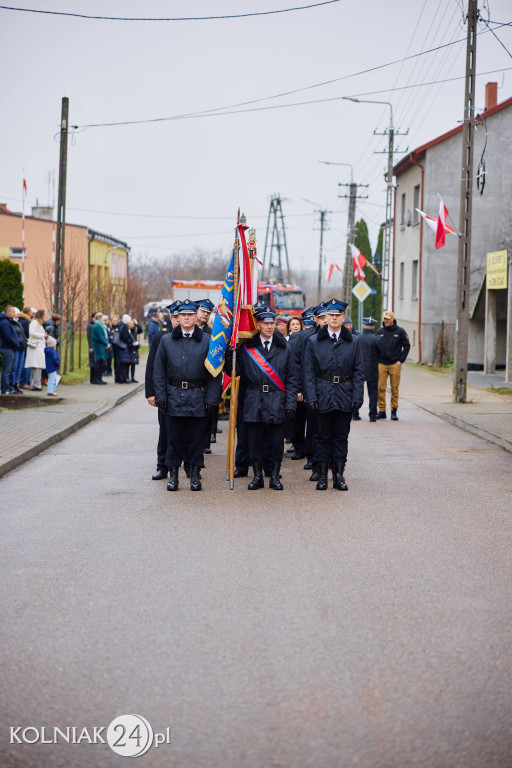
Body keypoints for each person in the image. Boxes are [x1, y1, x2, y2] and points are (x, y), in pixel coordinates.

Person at [153, 299, 222, 492]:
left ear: (195, 316)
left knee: (195, 440)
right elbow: (158, 372)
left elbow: (215, 373)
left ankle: (194, 476)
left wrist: (211, 399)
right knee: (174, 439)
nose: (186, 318)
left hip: (197, 398)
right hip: (173, 397)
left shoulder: (207, 342)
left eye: (190, 315)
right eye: (182, 315)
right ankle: (173, 476)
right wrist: (161, 397)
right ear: (177, 317)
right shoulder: (167, 341)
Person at [228, 305, 298, 491]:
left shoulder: (285, 348)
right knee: (254, 440)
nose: (269, 327)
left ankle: (274, 476)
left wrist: (291, 403)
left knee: (276, 442)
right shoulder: (246, 348)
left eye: (272, 323)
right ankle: (257, 476)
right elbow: (234, 371)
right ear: (258, 324)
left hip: (277, 400)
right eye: (265, 323)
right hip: (253, 399)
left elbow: (292, 378)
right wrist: (231, 351)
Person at [304, 298, 365, 491]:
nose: (335, 318)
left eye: (338, 315)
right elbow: (308, 372)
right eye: (331, 315)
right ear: (325, 317)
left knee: (340, 437)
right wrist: (311, 397)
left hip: (344, 394)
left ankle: (338, 476)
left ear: (344, 317)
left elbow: (358, 371)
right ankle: (322, 476)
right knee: (322, 437)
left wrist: (357, 397)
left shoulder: (353, 342)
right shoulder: (314, 341)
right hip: (322, 393)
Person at [375, 310, 410, 421]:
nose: (385, 321)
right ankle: (381, 411)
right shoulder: (379, 331)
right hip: (382, 363)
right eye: (384, 319)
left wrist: (401, 360)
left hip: (395, 363)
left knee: (394, 388)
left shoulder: (400, 332)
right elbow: (374, 346)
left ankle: (394, 411)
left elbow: (407, 346)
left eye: (387, 319)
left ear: (392, 319)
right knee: (380, 387)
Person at [353, 317, 382, 422]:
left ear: (363, 326)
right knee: (373, 393)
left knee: (357, 391)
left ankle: (355, 414)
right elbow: (382, 353)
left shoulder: (356, 338)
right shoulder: (377, 339)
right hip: (372, 368)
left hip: (358, 369)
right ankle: (372, 416)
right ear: (373, 327)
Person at [0, 304, 21, 394]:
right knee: (7, 370)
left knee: (11, 369)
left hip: (10, 348)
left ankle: (9, 387)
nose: (14, 313)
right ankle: (4, 389)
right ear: (7, 312)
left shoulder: (8, 321)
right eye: (13, 312)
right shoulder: (4, 322)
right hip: (7, 348)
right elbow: (7, 336)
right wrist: (16, 343)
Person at [25, 309, 47, 391]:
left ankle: (34, 384)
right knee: (37, 366)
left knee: (37, 366)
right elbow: (31, 333)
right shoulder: (34, 323)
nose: (45, 316)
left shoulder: (39, 323)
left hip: (39, 347)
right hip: (35, 347)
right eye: (44, 315)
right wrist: (42, 335)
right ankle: (36, 385)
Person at [10, 308, 28, 394]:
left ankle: (15, 384)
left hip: (22, 347)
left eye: (18, 314)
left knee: (19, 367)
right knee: (14, 367)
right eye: (16, 314)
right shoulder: (11, 324)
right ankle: (12, 384)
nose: (17, 315)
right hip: (16, 348)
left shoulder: (19, 323)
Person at [90, 312, 110, 384]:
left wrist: (107, 343)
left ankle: (99, 378)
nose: (103, 319)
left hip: (102, 346)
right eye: (102, 318)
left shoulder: (101, 326)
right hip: (98, 346)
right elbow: (100, 337)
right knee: (98, 363)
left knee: (101, 363)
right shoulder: (97, 326)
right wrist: (106, 343)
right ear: (99, 318)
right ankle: (96, 379)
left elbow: (104, 336)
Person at [18, 307, 33, 388]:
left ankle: (24, 381)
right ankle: (24, 381)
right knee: (25, 363)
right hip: (25, 343)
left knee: (23, 363)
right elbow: (28, 333)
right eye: (31, 312)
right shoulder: (26, 322)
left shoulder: (21, 321)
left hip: (23, 343)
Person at [127, 318, 143, 383]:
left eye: (133, 324)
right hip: (129, 348)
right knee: (128, 364)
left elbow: (141, 330)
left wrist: (136, 324)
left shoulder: (135, 330)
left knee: (133, 364)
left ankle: (133, 377)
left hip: (134, 348)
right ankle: (128, 377)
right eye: (131, 324)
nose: (132, 325)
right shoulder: (128, 330)